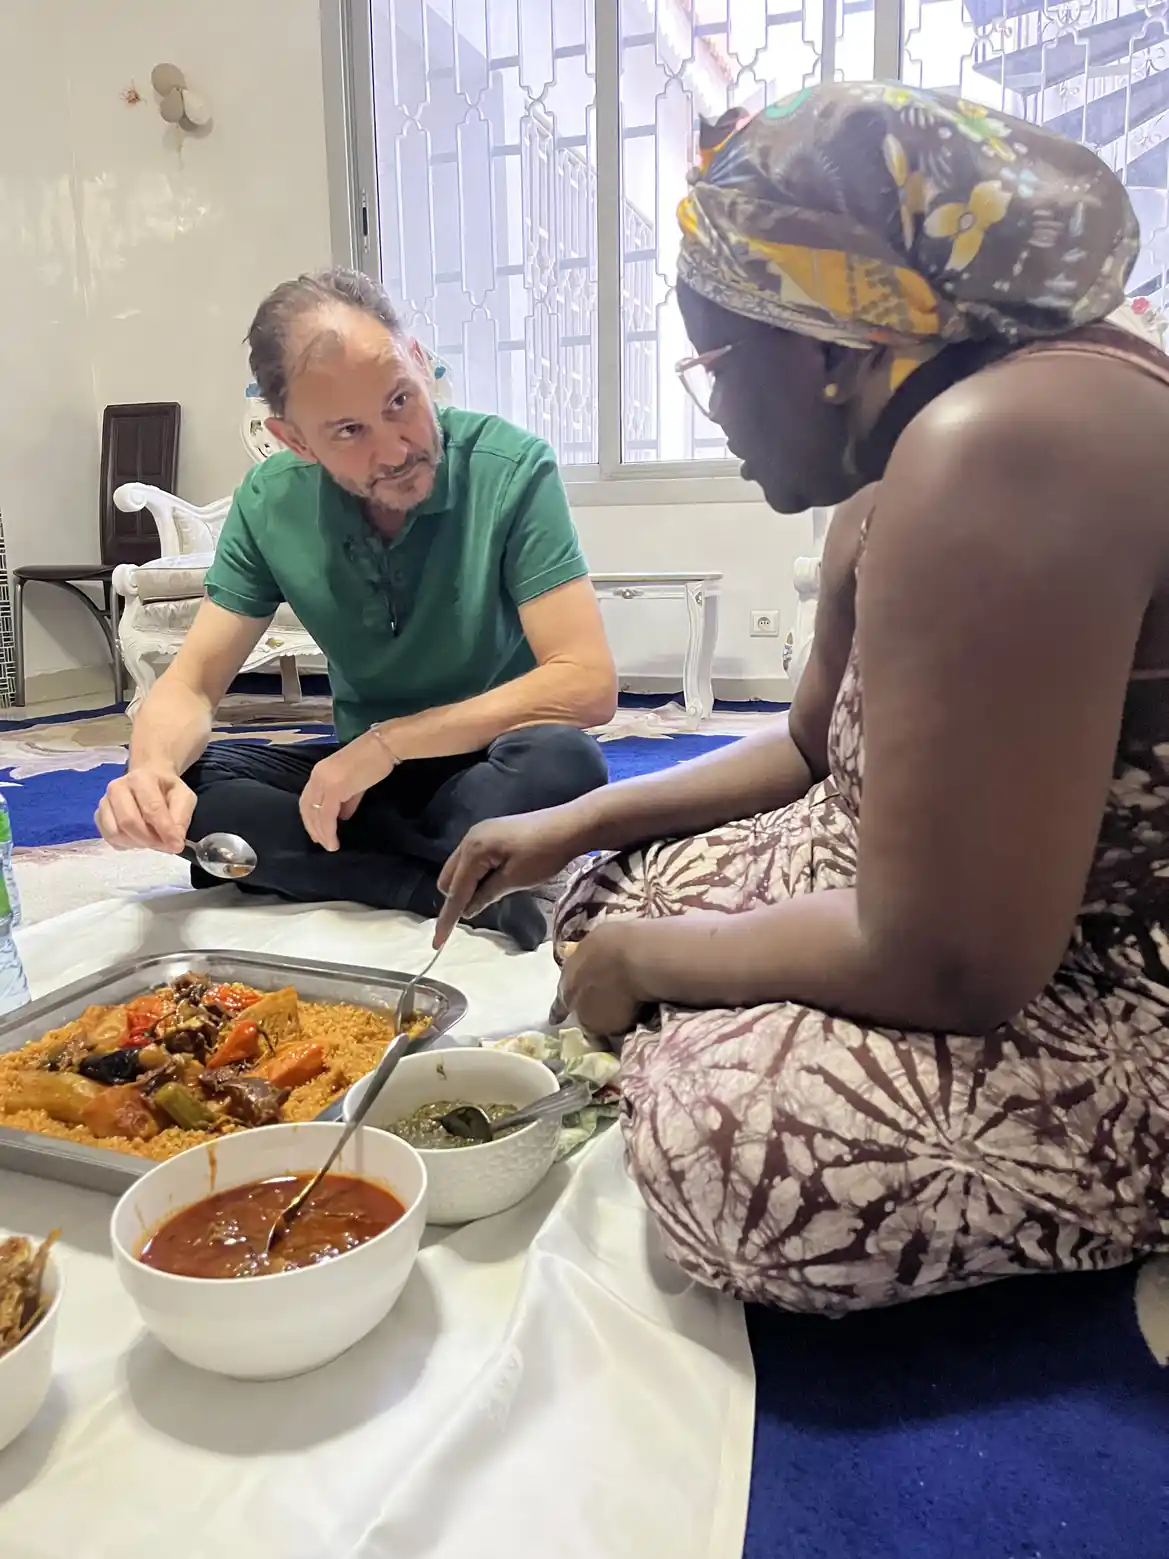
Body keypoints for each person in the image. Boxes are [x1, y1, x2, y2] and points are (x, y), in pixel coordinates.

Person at [436, 82, 1169, 1312]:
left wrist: (651, 961)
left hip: (1102, 959)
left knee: (727, 1150)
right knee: (603, 882)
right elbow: (807, 746)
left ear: (827, 350)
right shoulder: (901, 458)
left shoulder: (1005, 443)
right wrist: (571, 824)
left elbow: (953, 963)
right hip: (930, 883)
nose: (709, 405)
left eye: (711, 362)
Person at [96, 269, 615, 949]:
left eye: (401, 398)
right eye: (348, 431)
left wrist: (387, 742)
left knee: (564, 763)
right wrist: (149, 773)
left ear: (420, 363)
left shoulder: (511, 468)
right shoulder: (269, 501)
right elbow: (192, 684)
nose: (396, 447)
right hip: (360, 782)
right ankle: (440, 885)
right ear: (296, 442)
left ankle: (326, 861)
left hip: (488, 762)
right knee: (192, 789)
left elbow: (585, 681)